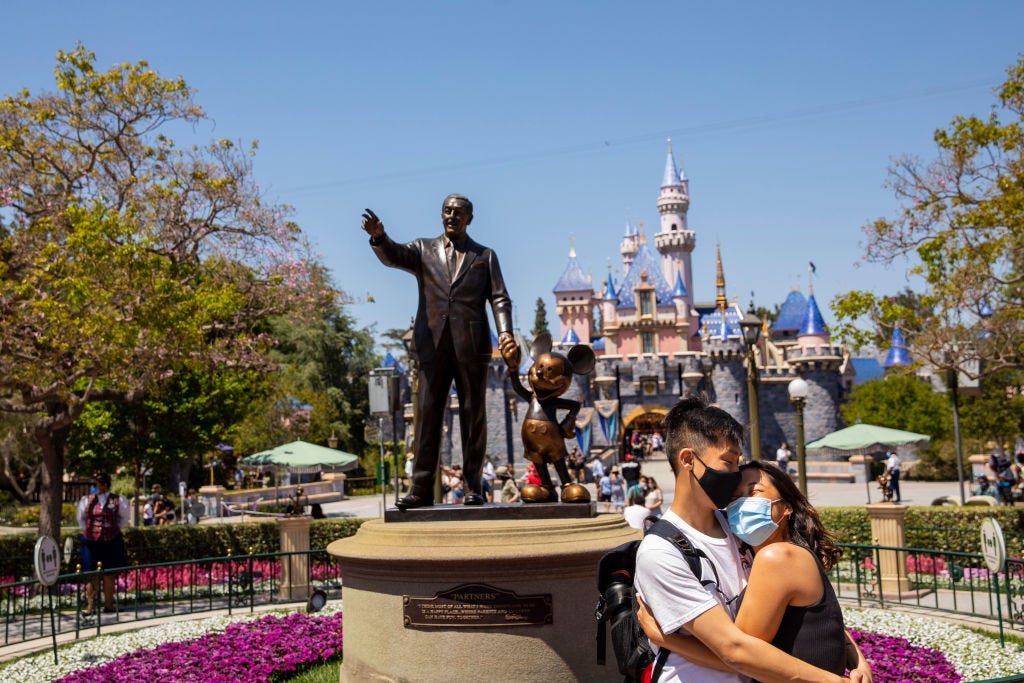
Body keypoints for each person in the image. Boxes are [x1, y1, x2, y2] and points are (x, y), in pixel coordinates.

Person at [633, 396, 868, 683]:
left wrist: (855, 655)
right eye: (729, 462)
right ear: (688, 460)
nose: (734, 476)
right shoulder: (661, 551)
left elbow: (805, 616)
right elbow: (736, 651)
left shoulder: (741, 531)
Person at [362, 196, 518, 509]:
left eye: (458, 213)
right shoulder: (422, 249)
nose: (451, 216)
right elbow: (394, 256)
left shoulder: (485, 256)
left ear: (469, 218)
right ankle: (420, 489)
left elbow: (500, 298)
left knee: (474, 417)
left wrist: (504, 333)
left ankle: (474, 487)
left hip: (472, 347)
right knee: (427, 417)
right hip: (431, 345)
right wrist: (379, 238)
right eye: (447, 211)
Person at [77, 472, 129, 616]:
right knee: (90, 573)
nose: (96, 487)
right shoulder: (87, 500)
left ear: (105, 484)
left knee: (110, 573)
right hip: (91, 540)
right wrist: (89, 530)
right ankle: (90, 606)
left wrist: (111, 529)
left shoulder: (118, 500)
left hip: (111, 540)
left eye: (98, 484)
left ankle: (109, 605)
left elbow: (124, 519)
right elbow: (81, 519)